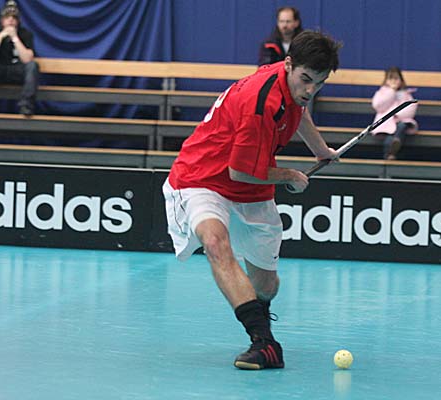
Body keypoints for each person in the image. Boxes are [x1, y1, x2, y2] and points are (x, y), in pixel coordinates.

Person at [163, 31, 341, 370]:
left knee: (267, 286)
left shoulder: (291, 85)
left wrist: (321, 150)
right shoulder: (259, 102)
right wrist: (290, 176)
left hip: (252, 187)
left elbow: (299, 110)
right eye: (305, 79)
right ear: (288, 64)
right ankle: (265, 343)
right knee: (215, 243)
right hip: (203, 176)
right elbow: (240, 171)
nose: (310, 90)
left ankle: (258, 319)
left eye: (319, 84)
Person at [371, 66, 418, 160]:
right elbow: (378, 106)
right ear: (386, 81)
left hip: (401, 121)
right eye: (390, 78)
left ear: (401, 80)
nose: (393, 81)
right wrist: (391, 92)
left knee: (401, 126)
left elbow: (411, 108)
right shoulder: (382, 93)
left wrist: (398, 115)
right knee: (391, 134)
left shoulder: (406, 94)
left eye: (396, 78)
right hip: (385, 122)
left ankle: (390, 150)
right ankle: (392, 149)